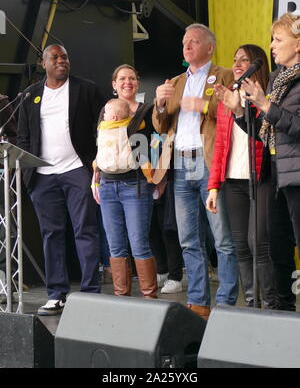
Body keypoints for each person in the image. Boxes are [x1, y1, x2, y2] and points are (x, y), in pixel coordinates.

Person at [152, 23, 239, 320]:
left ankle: (226, 302)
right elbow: (160, 126)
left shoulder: (225, 75)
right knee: (188, 239)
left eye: (194, 41)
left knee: (222, 238)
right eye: (185, 41)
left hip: (210, 162)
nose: (187, 45)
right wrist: (160, 104)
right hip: (180, 163)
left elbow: (234, 114)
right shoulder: (174, 81)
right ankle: (198, 301)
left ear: (210, 47)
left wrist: (203, 105)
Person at [218, 13, 300, 311]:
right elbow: (265, 132)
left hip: (297, 176)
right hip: (278, 174)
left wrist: (266, 104)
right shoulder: (280, 79)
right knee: (278, 247)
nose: (272, 46)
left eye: (278, 40)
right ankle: (282, 311)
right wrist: (240, 112)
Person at [17, 44, 104, 315]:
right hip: (43, 176)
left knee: (85, 230)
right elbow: (23, 136)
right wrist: (28, 173)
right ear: (43, 64)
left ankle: (91, 293)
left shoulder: (86, 89)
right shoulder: (31, 94)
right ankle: (56, 294)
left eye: (64, 56)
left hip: (77, 170)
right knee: (51, 234)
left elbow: (101, 125)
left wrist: (96, 163)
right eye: (54, 57)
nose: (61, 61)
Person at [206, 44, 277, 309]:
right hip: (232, 181)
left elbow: (265, 138)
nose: (236, 64)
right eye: (235, 59)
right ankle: (251, 301)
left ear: (256, 63)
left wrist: (242, 109)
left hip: (260, 178)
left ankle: (269, 303)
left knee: (257, 242)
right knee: (240, 245)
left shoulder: (266, 97)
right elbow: (221, 147)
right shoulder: (229, 98)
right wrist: (213, 187)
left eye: (244, 60)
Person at [92, 65, 157, 299]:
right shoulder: (105, 112)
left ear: (137, 83)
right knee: (115, 245)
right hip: (108, 186)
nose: (127, 82)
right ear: (114, 84)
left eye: (132, 78)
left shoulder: (146, 111)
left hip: (135, 185)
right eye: (122, 78)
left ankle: (149, 298)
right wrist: (95, 178)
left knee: (139, 243)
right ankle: (122, 298)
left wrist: (156, 177)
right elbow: (102, 148)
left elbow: (155, 145)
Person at [0, 94, 18, 301]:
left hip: (1, 175)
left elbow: (14, 135)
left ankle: (5, 285)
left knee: (5, 231)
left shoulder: (1, 102)